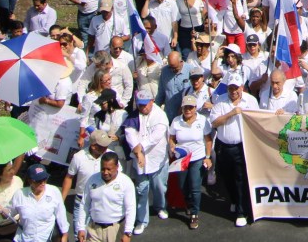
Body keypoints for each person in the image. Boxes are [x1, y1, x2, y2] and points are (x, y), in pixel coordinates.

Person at [209, 73, 259, 227]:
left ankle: (241, 211)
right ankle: (235, 200)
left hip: (241, 146)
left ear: (242, 88)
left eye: (236, 88)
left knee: (240, 179)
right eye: (231, 88)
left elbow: (257, 119)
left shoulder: (250, 101)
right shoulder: (220, 101)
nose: (233, 91)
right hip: (223, 147)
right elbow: (214, 123)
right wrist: (231, 113)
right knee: (227, 178)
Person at [125, 90, 169, 235]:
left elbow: (155, 137)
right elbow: (130, 134)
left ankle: (160, 206)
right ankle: (141, 221)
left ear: (152, 101)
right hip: (140, 160)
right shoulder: (133, 115)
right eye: (140, 105)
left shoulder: (160, 115)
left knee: (159, 187)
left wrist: (141, 147)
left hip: (157, 158)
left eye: (145, 105)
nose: (143, 108)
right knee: (141, 190)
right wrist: (138, 152)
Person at [168, 95, 213, 229]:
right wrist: (172, 145)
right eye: (185, 107)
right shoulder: (176, 121)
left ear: (195, 108)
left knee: (195, 187)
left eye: (190, 107)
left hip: (197, 157)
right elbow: (171, 138)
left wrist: (208, 156)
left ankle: (194, 214)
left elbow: (208, 140)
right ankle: (189, 203)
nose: (187, 110)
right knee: (182, 186)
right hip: (182, 159)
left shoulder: (202, 120)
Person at [0, 164, 68, 242]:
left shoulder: (54, 192)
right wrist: (2, 210)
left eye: (45, 179)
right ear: (30, 181)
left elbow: (61, 214)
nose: (43, 183)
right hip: (24, 239)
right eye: (39, 181)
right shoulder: (20, 194)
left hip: (46, 239)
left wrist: (65, 234)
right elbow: (9, 214)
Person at [62, 130, 112, 241]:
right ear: (94, 146)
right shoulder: (78, 157)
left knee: (99, 236)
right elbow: (69, 177)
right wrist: (61, 201)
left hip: (101, 201)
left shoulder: (110, 156)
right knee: (79, 236)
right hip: (81, 201)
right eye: (103, 146)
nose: (106, 148)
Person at [77, 152, 136, 242]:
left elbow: (130, 208)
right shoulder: (92, 180)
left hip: (116, 230)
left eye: (109, 169)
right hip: (94, 229)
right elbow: (85, 204)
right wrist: (81, 227)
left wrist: (128, 232)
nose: (105, 172)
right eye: (103, 169)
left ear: (117, 167)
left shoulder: (126, 182)